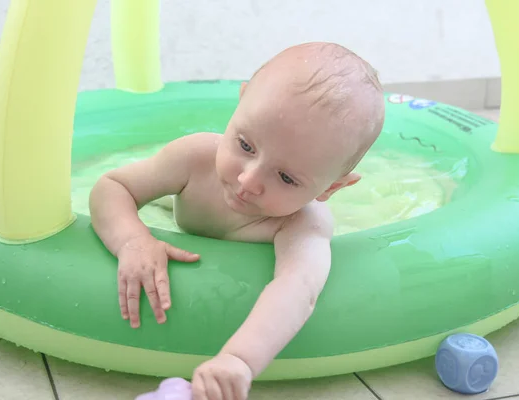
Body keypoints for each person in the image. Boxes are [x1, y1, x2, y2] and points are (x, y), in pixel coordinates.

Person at [89, 41, 384, 400]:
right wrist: (133, 240)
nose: (248, 181)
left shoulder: (304, 223)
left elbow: (299, 288)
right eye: (245, 146)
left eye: (287, 178)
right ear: (240, 102)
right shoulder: (195, 158)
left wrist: (239, 359)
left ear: (331, 188)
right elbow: (113, 186)